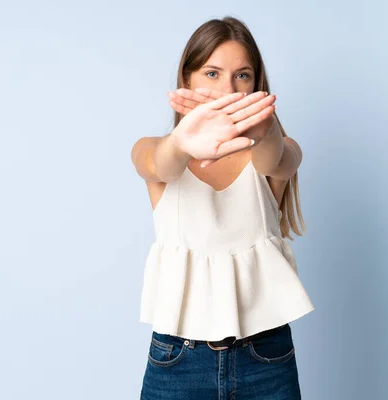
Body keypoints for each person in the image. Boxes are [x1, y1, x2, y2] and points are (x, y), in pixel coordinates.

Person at [131, 15, 315, 400]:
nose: (228, 90)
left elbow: (275, 159)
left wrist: (261, 132)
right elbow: (158, 162)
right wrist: (183, 142)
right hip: (178, 360)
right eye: (212, 74)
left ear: (257, 85)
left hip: (265, 358)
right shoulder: (154, 148)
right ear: (187, 80)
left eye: (242, 76)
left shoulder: (279, 150)